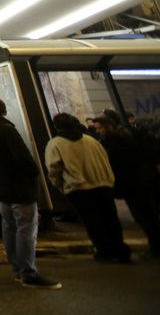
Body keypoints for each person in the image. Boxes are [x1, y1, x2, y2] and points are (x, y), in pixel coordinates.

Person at [0, 98, 60, 289]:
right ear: (3, 110)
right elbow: (25, 159)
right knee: (26, 229)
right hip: (18, 186)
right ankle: (28, 272)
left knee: (9, 226)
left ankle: (17, 269)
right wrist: (33, 173)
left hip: (0, 186)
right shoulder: (6, 129)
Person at [45, 112, 130, 263]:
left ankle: (105, 252)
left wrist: (60, 186)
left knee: (93, 222)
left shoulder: (55, 144)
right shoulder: (90, 140)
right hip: (102, 185)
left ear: (56, 126)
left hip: (78, 188)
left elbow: (53, 169)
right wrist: (108, 180)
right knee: (111, 219)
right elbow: (104, 159)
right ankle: (121, 250)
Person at [93, 114, 160, 257]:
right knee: (146, 215)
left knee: (144, 216)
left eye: (99, 128)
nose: (97, 131)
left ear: (107, 126)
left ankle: (156, 246)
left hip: (133, 183)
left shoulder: (116, 141)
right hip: (136, 182)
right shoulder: (122, 137)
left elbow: (121, 162)